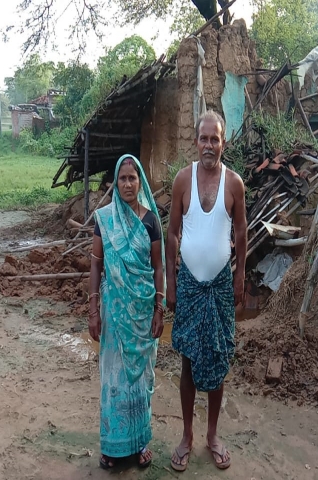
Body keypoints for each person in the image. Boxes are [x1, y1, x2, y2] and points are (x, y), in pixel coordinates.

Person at [166, 111, 248, 471]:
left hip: (218, 287)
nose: (209, 145)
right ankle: (187, 435)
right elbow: (171, 233)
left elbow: (242, 232)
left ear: (223, 142)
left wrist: (240, 274)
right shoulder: (183, 180)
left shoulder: (235, 184)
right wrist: (170, 280)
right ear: (195, 141)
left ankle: (213, 434)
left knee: (217, 360)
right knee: (187, 360)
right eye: (203, 139)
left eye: (215, 139)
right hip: (187, 285)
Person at [88, 154, 165, 470]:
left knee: (141, 379)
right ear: (115, 184)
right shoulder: (103, 219)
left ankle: (141, 442)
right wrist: (93, 309)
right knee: (113, 379)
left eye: (133, 178)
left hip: (142, 312)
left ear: (140, 181)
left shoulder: (150, 221)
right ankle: (112, 446)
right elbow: (96, 264)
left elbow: (158, 266)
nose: (128, 184)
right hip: (115, 313)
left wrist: (159, 307)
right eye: (122, 179)